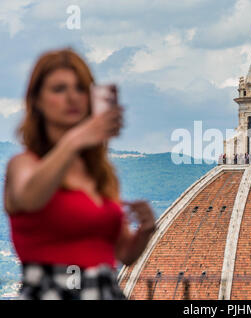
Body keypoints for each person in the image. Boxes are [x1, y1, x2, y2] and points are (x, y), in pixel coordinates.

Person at [2, 48, 157, 300]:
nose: (72, 97)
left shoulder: (99, 174)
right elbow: (29, 199)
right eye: (59, 89)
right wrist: (74, 140)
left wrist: (145, 229)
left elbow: (124, 253)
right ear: (37, 101)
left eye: (80, 89)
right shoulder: (23, 165)